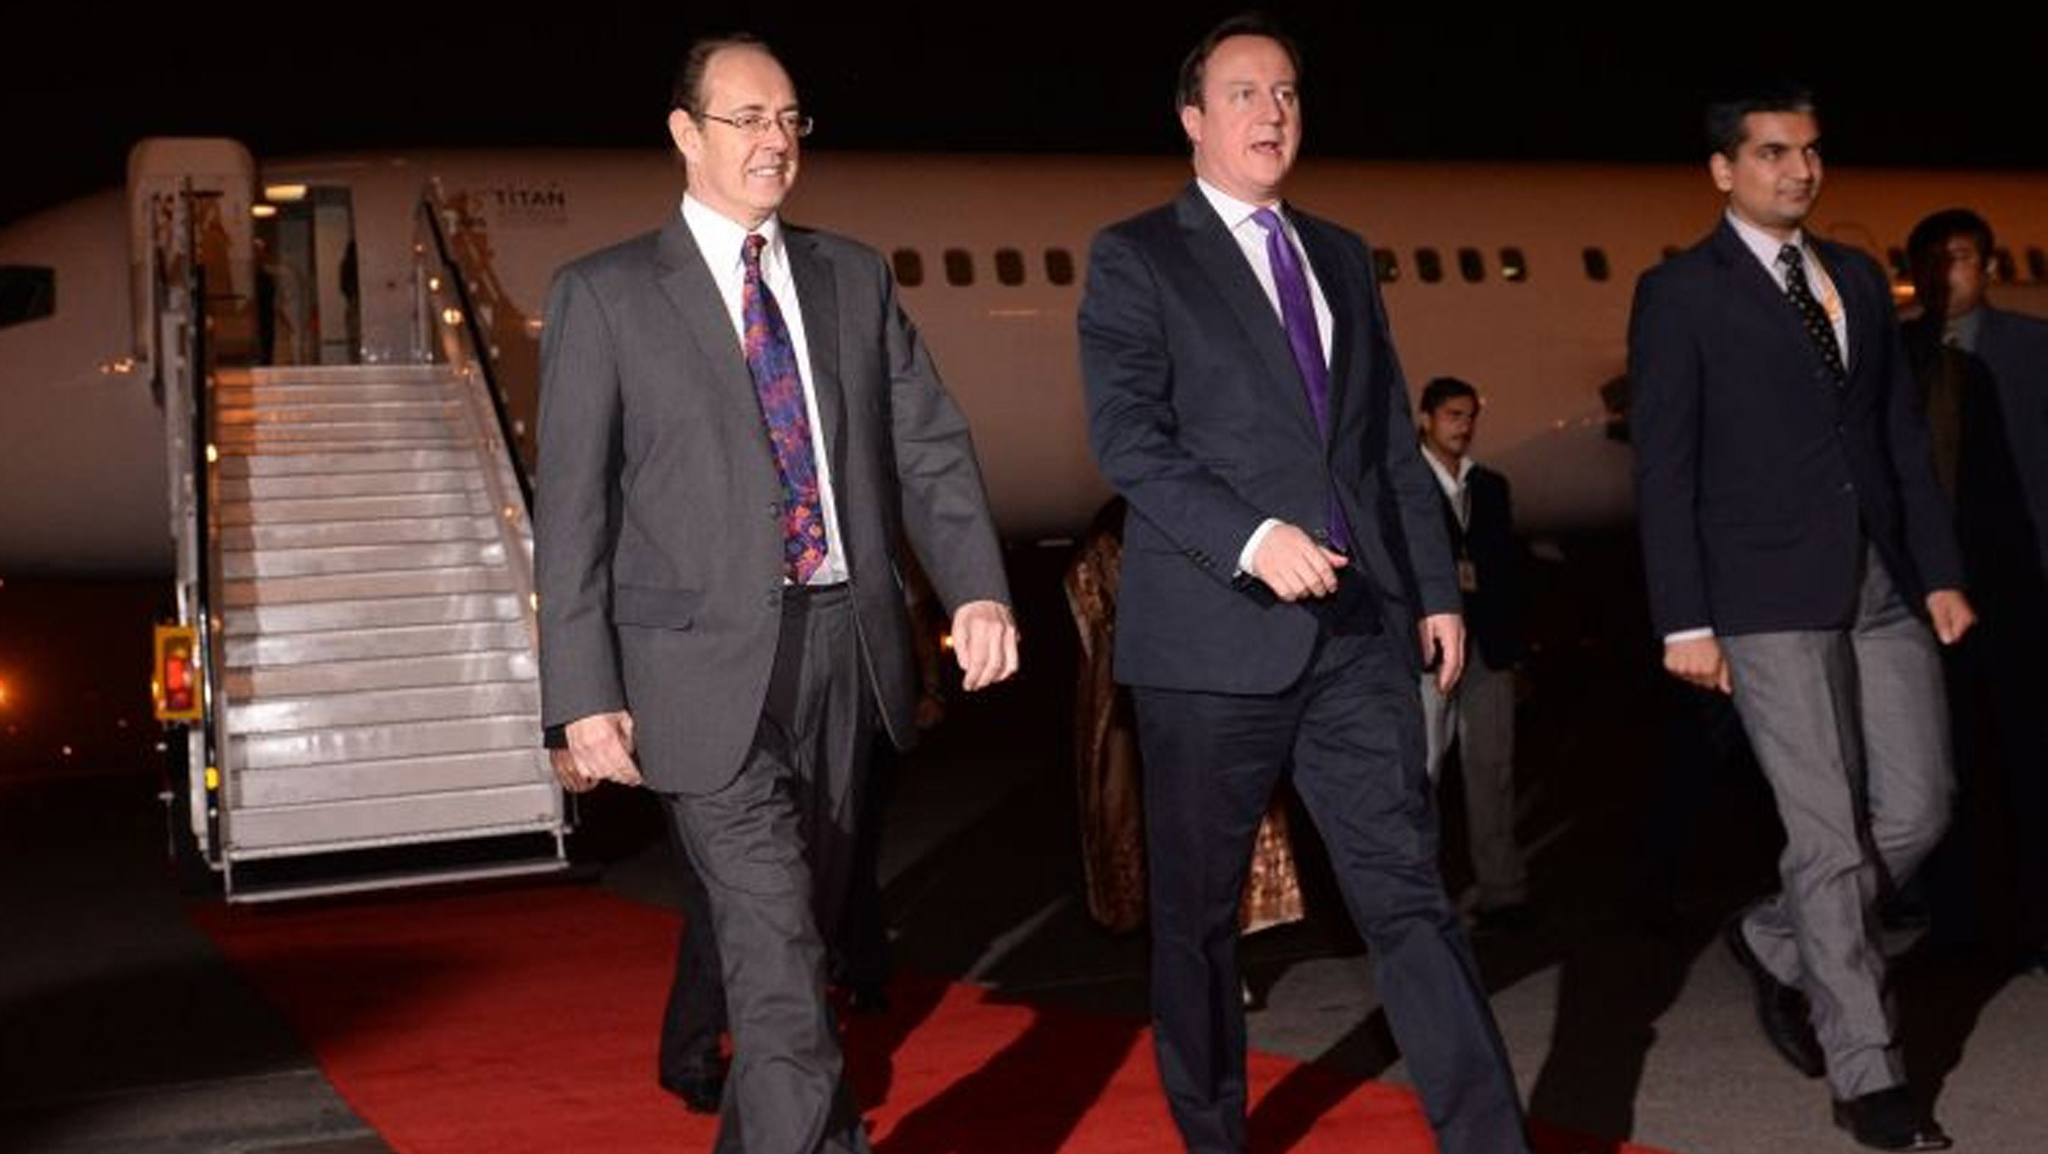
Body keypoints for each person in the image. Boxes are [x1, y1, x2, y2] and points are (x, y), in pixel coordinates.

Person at [534, 33, 1017, 1153]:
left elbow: (928, 446)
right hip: (695, 675)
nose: (775, 141)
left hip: (846, 652)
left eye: (790, 118)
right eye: (747, 118)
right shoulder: (604, 295)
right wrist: (580, 694)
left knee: (797, 949)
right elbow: (574, 512)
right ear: (684, 133)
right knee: (779, 953)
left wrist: (977, 589)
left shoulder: (853, 277)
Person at [1077, 16, 1528, 1154]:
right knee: (1197, 920)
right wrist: (1250, 537)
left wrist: (1434, 588)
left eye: (1285, 92)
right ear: (1192, 118)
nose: (1270, 112)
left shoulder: (1338, 253)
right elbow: (1129, 440)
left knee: (1408, 895)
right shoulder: (1139, 256)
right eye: (1243, 93)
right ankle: (1213, 1135)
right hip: (1212, 643)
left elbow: (1381, 447)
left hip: (1355, 634)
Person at [1628, 85, 1970, 1151]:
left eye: (1810, 151)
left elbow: (1897, 439)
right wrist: (1684, 621)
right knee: (1825, 834)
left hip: (1880, 582)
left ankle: (1775, 938)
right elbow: (1663, 466)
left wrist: (1938, 570)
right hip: (1763, 595)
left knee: (1920, 806)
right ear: (1723, 170)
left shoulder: (1857, 277)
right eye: (1773, 153)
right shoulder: (1679, 293)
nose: (1799, 171)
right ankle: (1869, 1073)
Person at [1903, 208, 2048, 973]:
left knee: (2028, 755)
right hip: (1928, 592)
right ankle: (1955, 924)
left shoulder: (2032, 348)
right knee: (1940, 761)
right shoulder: (1898, 354)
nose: (1942, 274)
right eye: (1928, 260)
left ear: (1987, 267)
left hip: (2021, 583)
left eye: (1956, 258)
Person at [1414, 377, 1530, 931]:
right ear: (1426, 419)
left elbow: (1507, 570)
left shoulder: (1489, 486)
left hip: (1488, 647)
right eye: (1452, 415)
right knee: (1424, 772)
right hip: (1431, 650)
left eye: (1469, 416)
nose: (1463, 426)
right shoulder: (1406, 481)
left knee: (1493, 769)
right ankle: (1418, 897)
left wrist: (1515, 648)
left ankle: (1502, 888)